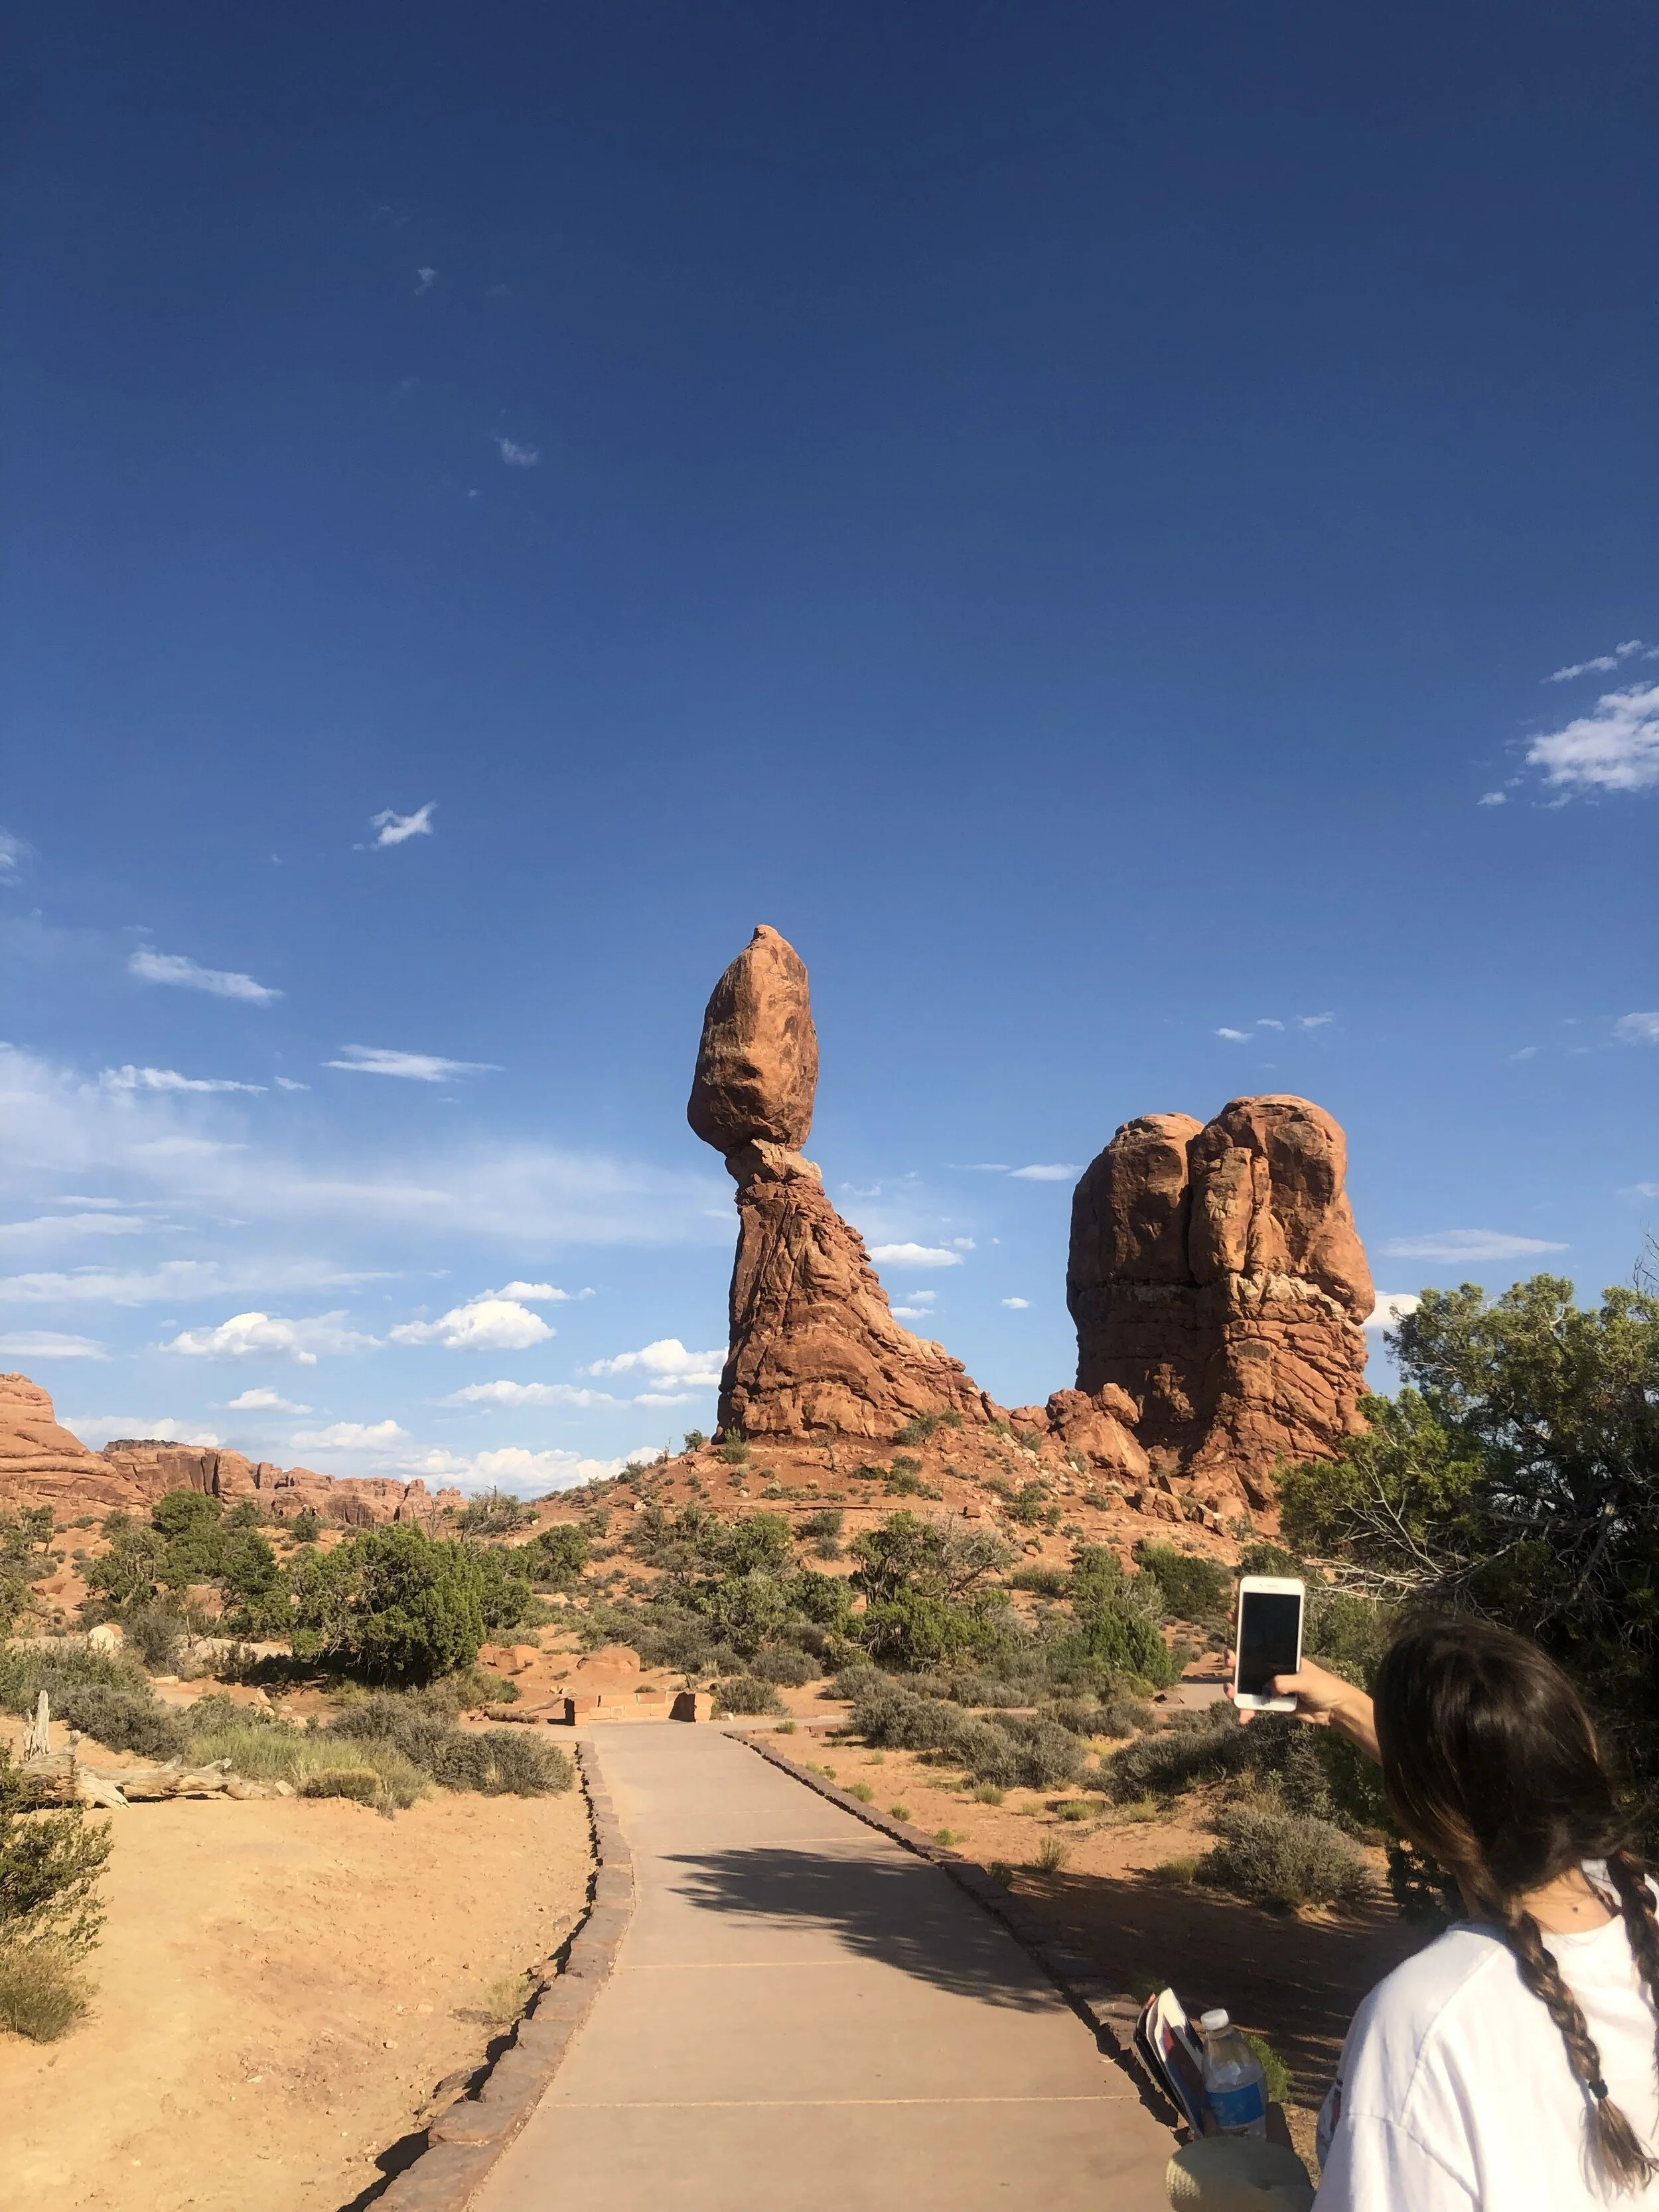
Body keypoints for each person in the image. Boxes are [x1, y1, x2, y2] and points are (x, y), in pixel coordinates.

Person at [1171, 1615, 1659, 2210]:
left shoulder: (1422, 2022)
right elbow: (1491, 1795)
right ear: (1579, 1750)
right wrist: (1348, 1707)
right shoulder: (1638, 1901)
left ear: (1416, 1812)